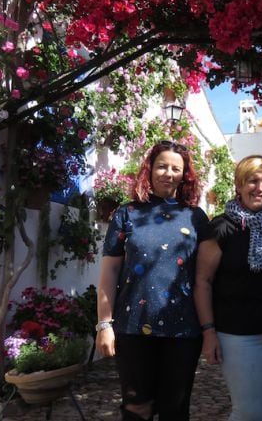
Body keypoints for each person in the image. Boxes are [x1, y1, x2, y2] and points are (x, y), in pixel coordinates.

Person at [96, 140, 210, 421]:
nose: (167, 173)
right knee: (136, 407)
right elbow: (109, 272)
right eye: (162, 166)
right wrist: (103, 324)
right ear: (150, 169)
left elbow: (206, 275)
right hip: (133, 326)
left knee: (175, 409)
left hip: (183, 329)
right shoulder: (127, 213)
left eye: (175, 168)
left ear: (185, 175)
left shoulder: (196, 217)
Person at [194, 155, 262, 421]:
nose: (260, 187)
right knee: (249, 412)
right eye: (252, 181)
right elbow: (202, 282)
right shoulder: (221, 228)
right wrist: (208, 332)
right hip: (240, 333)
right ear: (239, 185)